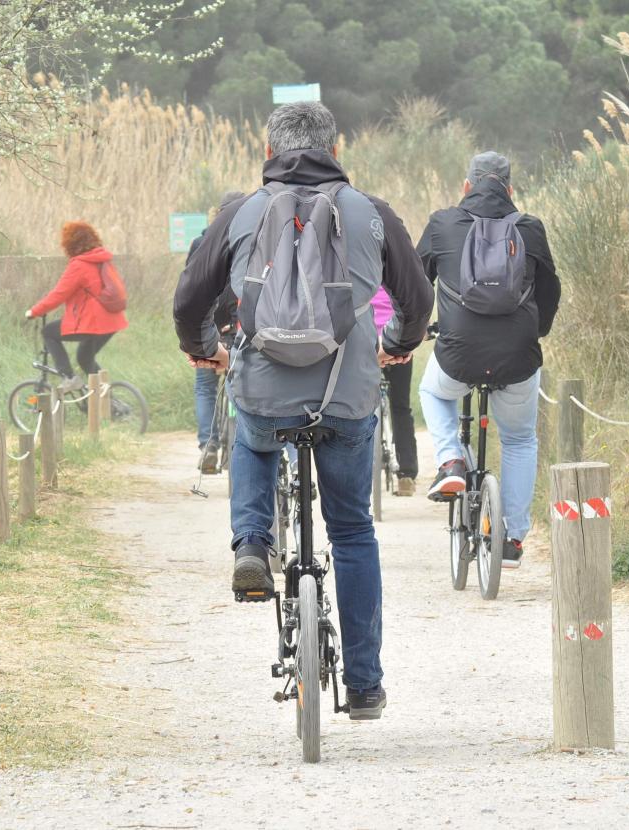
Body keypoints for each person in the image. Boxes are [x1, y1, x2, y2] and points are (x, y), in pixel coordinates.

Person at [173, 102, 433, 719]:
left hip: (264, 388)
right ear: (335, 152)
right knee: (351, 532)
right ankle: (365, 685)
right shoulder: (372, 212)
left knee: (254, 437)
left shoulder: (240, 212)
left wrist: (205, 350)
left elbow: (189, 300)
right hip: (345, 398)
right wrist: (396, 344)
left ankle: (253, 544)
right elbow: (418, 299)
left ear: (268, 153)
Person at [416, 152, 561, 569]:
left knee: (433, 391)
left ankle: (452, 460)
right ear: (510, 190)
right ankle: (512, 538)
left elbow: (413, 282)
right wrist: (536, 332)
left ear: (467, 187)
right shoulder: (530, 229)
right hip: (518, 356)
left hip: (459, 353)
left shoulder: (444, 223)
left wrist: (408, 334)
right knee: (518, 439)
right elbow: (550, 291)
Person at [26, 221, 128, 392]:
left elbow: (59, 294)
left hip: (93, 323)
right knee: (84, 358)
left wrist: (34, 311)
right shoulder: (103, 260)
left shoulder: (78, 265)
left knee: (49, 333)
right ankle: (111, 404)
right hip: (112, 322)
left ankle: (69, 378)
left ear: (69, 243)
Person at [189, 192, 247, 473]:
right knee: (247, 382)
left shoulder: (201, 243)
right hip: (243, 325)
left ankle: (208, 445)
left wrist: (194, 335)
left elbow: (191, 292)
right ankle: (245, 440)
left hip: (210, 326)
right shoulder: (255, 240)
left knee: (205, 386)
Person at [370, 287, 418, 495]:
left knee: (357, 407)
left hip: (367, 343)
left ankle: (359, 474)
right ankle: (406, 475)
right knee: (400, 407)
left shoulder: (358, 261)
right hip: (397, 341)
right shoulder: (399, 262)